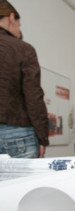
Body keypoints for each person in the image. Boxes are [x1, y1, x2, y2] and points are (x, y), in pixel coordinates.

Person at [0, 1, 49, 158]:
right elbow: (33, 96)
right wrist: (43, 137)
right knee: (23, 183)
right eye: (19, 26)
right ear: (11, 18)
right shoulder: (23, 49)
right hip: (16, 133)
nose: (18, 31)